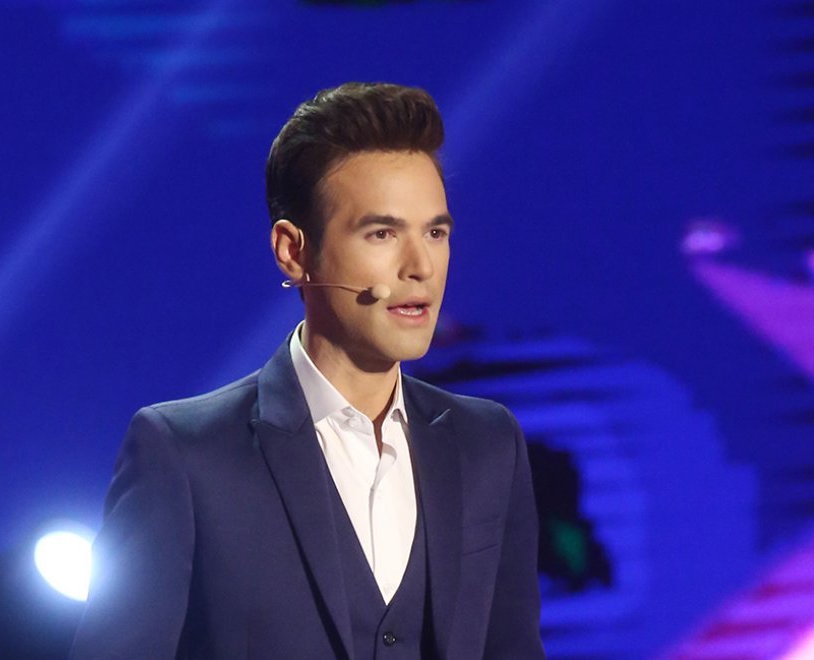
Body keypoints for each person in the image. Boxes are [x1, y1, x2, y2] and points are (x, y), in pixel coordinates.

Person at [70, 82, 543, 659]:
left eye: (435, 233)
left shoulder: (486, 443)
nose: (421, 266)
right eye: (382, 233)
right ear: (293, 251)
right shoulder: (187, 455)